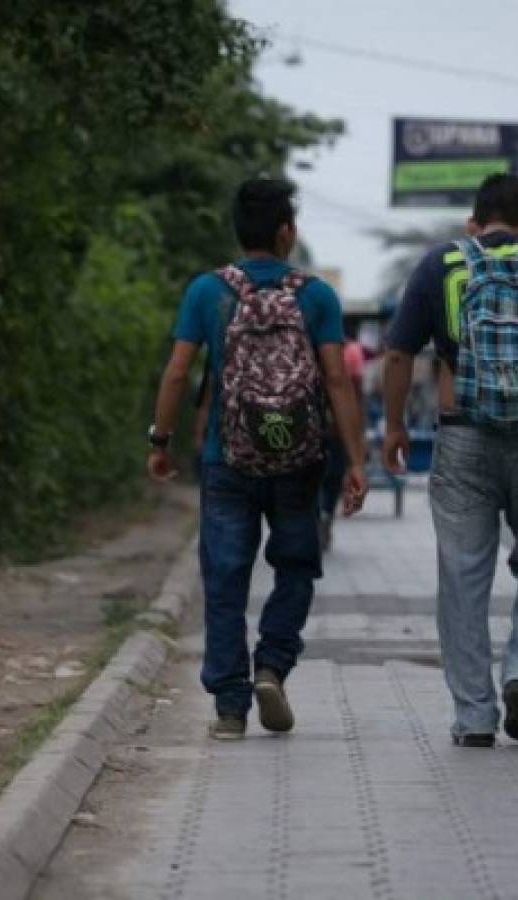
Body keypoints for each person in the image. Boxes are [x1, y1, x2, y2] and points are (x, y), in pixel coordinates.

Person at [382, 173, 518, 747]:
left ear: (475, 221)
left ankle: (475, 717)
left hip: (462, 438)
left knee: (462, 577)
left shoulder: (440, 264)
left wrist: (397, 427)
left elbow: (400, 352)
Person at [147, 178, 368, 740]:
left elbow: (178, 372)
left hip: (230, 458)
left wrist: (161, 440)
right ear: (286, 232)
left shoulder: (208, 292)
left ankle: (229, 705)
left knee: (224, 576)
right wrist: (358, 460)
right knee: (296, 566)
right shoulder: (315, 296)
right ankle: (271, 665)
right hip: (299, 460)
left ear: (239, 232)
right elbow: (337, 379)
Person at [318, 325, 366, 551]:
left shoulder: (306, 341)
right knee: (334, 475)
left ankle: (319, 513)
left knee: (315, 476)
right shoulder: (353, 351)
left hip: (309, 426)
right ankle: (326, 512)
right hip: (339, 427)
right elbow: (355, 391)